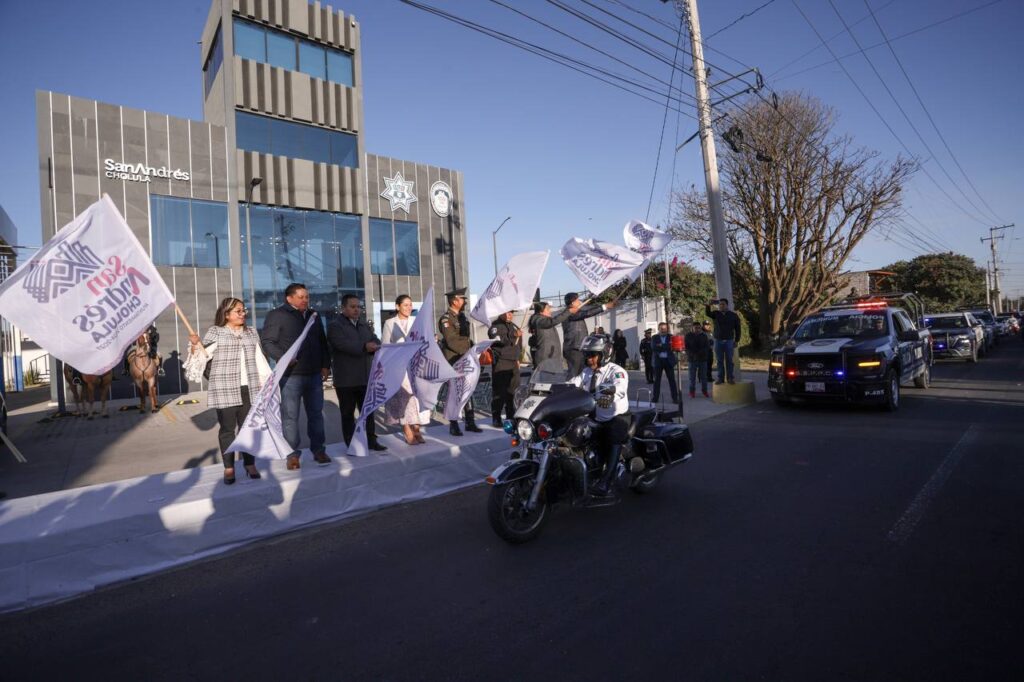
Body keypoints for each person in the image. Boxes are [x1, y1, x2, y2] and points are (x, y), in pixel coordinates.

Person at [189, 298, 265, 485]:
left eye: (243, 310)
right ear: (226, 314)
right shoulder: (216, 332)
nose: (243, 314)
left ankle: (249, 464)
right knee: (227, 430)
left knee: (248, 429)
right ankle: (229, 467)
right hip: (225, 388)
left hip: (251, 387)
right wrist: (194, 345)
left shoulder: (252, 332)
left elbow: (260, 359)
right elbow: (201, 359)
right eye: (238, 311)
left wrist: (265, 380)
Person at [260, 282, 331, 470]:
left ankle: (319, 450)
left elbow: (322, 342)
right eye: (301, 297)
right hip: (291, 376)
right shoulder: (277, 315)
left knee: (316, 415)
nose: (305, 300)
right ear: (289, 298)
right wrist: (284, 358)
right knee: (290, 416)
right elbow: (267, 342)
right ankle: (292, 454)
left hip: (314, 374)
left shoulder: (313, 316)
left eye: (307, 297)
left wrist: (325, 365)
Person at [568, 334, 630, 497]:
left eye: (592, 355)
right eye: (587, 355)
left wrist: (602, 394)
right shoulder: (586, 373)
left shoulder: (617, 371)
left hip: (615, 417)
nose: (589, 359)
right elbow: (571, 384)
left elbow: (619, 388)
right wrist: (551, 390)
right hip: (594, 417)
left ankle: (606, 482)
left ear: (605, 353)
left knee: (613, 435)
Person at [328, 294, 387, 453]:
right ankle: (352, 443)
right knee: (347, 414)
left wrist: (376, 345)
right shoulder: (335, 325)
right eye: (352, 307)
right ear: (343, 308)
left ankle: (372, 440)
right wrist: (364, 347)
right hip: (346, 379)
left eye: (358, 307)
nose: (356, 310)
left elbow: (375, 339)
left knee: (368, 412)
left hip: (365, 377)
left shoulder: (363, 325)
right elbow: (341, 344)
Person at [381, 294, 429, 445]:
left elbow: (424, 342)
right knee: (403, 399)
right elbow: (385, 346)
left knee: (417, 398)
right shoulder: (389, 323)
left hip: (416, 366)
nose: (409, 308)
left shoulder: (416, 321)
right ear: (397, 306)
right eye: (405, 305)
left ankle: (417, 429)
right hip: (398, 366)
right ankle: (407, 429)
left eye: (410, 305)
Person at [439, 287, 482, 436]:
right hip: (453, 360)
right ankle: (453, 424)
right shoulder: (446, 319)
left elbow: (466, 339)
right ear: (454, 301)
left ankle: (470, 422)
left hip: (465, 358)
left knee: (468, 389)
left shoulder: (463, 318)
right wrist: (467, 349)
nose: (464, 302)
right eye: (462, 299)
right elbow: (451, 341)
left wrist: (475, 347)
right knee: (454, 392)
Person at [561, 292, 614, 378]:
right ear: (573, 302)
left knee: (582, 374)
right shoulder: (569, 312)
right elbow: (587, 313)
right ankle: (570, 389)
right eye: (577, 300)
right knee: (574, 375)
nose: (580, 301)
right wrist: (604, 306)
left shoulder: (574, 312)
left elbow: (585, 312)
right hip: (574, 349)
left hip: (578, 348)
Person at [488, 311, 523, 427]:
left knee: (513, 392)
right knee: (500, 392)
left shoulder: (513, 326)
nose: (510, 315)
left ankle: (511, 417)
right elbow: (496, 339)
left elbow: (519, 344)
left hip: (513, 362)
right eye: (507, 313)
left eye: (511, 313)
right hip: (501, 362)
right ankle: (496, 417)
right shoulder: (495, 326)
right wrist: (513, 335)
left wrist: (518, 358)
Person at [528, 300, 576, 366]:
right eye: (547, 309)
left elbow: (557, 317)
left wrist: (568, 310)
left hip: (552, 356)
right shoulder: (538, 320)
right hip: (545, 358)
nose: (550, 311)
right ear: (541, 311)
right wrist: (569, 312)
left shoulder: (544, 319)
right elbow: (554, 321)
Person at [705, 298, 742, 384]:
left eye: (723, 304)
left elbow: (738, 329)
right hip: (718, 341)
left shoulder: (733, 315)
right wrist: (708, 305)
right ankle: (720, 378)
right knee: (719, 360)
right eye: (720, 304)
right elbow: (707, 313)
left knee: (729, 360)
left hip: (729, 341)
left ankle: (730, 378)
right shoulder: (716, 314)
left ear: (727, 305)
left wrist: (737, 340)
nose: (721, 306)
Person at [650, 322, 679, 404]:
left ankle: (675, 398)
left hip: (668, 361)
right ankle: (655, 398)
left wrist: (661, 345)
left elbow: (672, 347)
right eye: (661, 329)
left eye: (665, 329)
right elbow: (653, 347)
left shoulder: (671, 337)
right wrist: (666, 346)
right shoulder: (654, 337)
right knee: (656, 381)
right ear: (658, 329)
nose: (663, 330)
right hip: (658, 361)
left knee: (672, 381)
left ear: (667, 329)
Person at [684, 321, 711, 398]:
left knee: (704, 377)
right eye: (696, 328)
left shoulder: (704, 336)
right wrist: (692, 355)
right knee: (692, 377)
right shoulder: (688, 336)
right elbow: (686, 348)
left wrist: (700, 353)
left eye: (699, 328)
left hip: (702, 359)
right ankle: (692, 392)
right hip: (692, 360)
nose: (697, 329)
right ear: (692, 328)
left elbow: (707, 347)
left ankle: (704, 391)